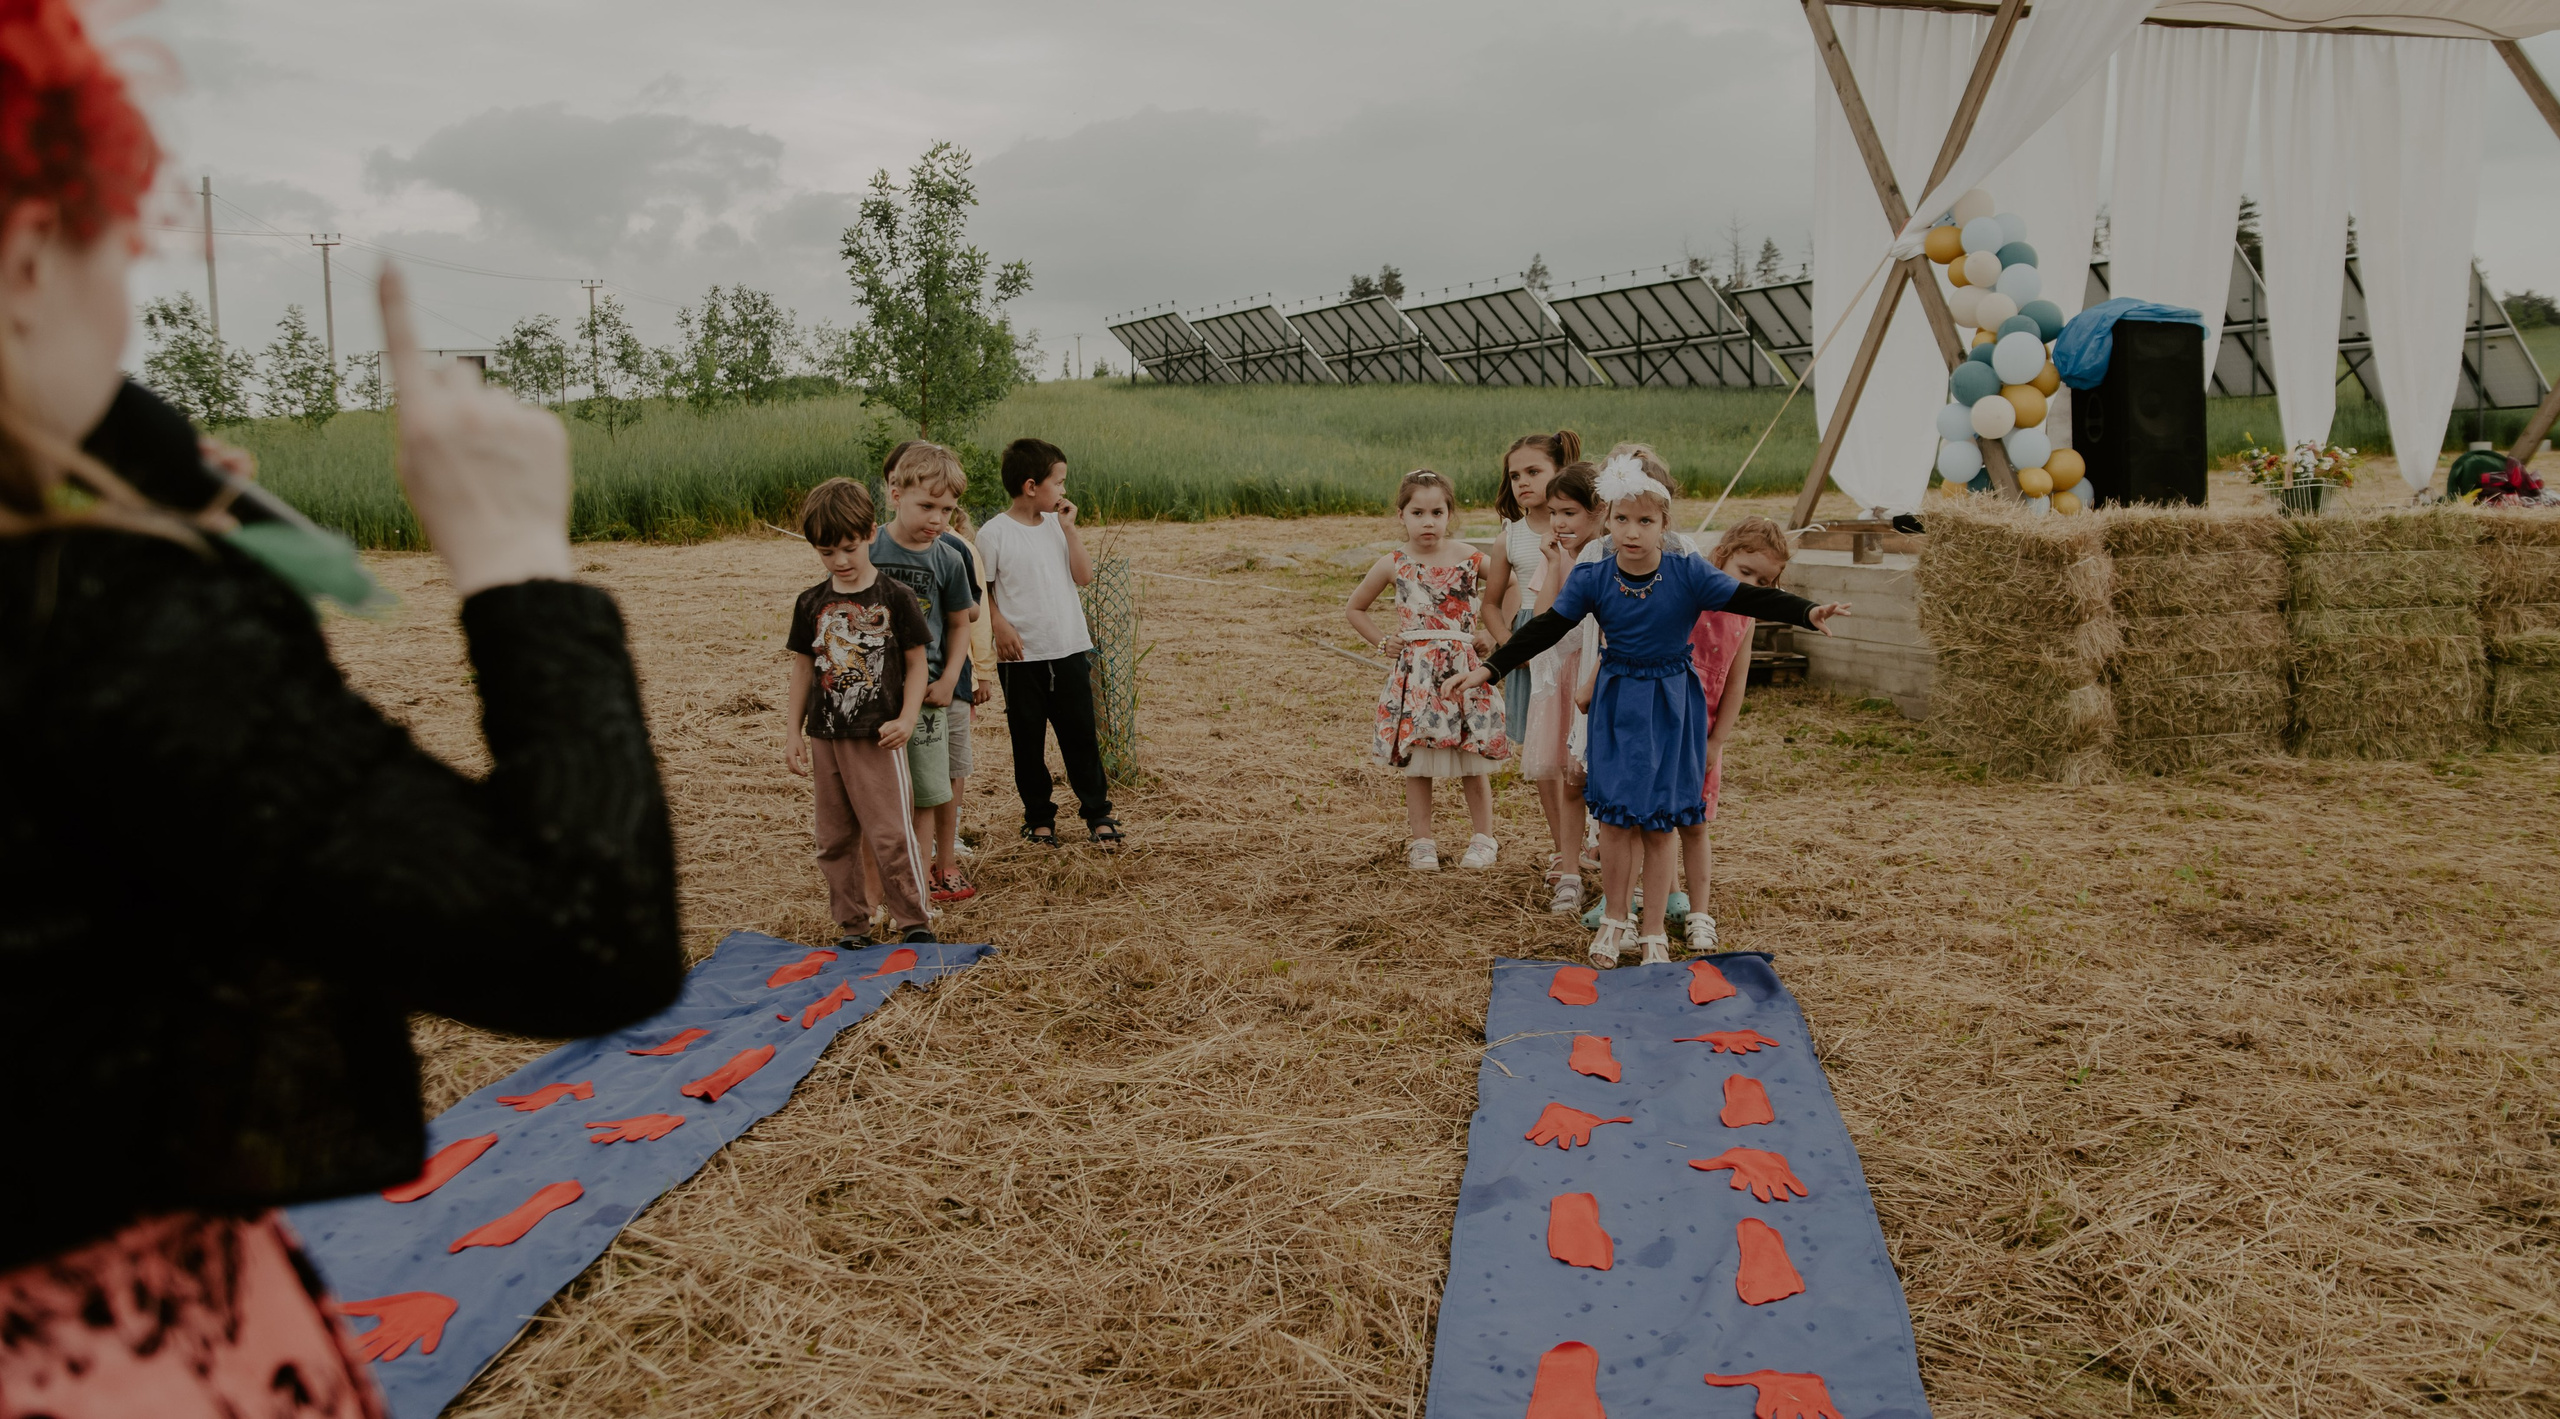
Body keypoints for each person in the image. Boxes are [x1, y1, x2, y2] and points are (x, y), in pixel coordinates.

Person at [0, 3, 683, 1410]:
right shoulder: (93, 617)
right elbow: (583, 934)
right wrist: (516, 558)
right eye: (116, 255)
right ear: (27, 251)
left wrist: (137, 467)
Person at [1456, 457, 1847, 966]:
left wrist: (1807, 611)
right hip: (1617, 703)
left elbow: (1750, 597)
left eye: (1645, 521)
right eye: (1622, 519)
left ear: (1664, 525)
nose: (1632, 531)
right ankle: (1615, 920)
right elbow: (1547, 627)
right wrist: (1492, 669)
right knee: (1616, 821)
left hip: (1671, 706)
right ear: (1607, 520)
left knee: (1661, 824)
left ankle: (1654, 931)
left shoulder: (1688, 573)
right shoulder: (1594, 576)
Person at [783, 478, 936, 946]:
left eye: (849, 548)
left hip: (878, 737)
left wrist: (907, 718)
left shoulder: (895, 597)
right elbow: (803, 668)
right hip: (825, 736)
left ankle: (914, 921)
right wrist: (793, 732)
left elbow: (917, 665)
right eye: (826, 552)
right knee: (833, 838)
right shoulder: (810, 603)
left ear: (871, 533)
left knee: (890, 833)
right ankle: (854, 925)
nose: (840, 561)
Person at [1346, 469, 1508, 871]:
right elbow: (1355, 608)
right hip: (1416, 675)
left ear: (1449, 514)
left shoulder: (1470, 557)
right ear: (1401, 515)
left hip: (1463, 670)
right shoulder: (1393, 563)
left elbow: (1512, 584)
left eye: (1437, 512)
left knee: (1472, 756)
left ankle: (1483, 838)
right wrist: (1383, 641)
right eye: (1417, 513)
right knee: (1417, 762)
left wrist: (1494, 632)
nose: (1428, 522)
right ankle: (1422, 842)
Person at [979, 437, 1122, 848]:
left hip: (1069, 649)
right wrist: (999, 624)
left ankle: (1097, 813)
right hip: (1022, 657)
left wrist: (1070, 529)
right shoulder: (994, 534)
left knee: (1081, 737)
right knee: (1028, 742)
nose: (1063, 490)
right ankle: (1039, 819)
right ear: (1030, 486)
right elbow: (983, 589)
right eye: (1057, 482)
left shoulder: (1058, 527)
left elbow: (1083, 576)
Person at [1676, 515, 1795, 956]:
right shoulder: (1688, 597)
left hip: (1703, 732)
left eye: (1764, 581)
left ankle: (1699, 913)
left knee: (1694, 823)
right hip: (1663, 721)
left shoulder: (1746, 618)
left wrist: (1716, 741)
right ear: (1721, 556)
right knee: (1650, 821)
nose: (1753, 586)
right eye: (1746, 573)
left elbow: (1735, 681)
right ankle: (1646, 898)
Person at [1517, 461, 1603, 912]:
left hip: (1601, 674)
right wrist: (1553, 564)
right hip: (1567, 677)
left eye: (1569, 513)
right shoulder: (1561, 558)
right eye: (1553, 513)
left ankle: (1609, 859)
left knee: (1608, 779)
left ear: (1598, 511)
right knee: (1573, 779)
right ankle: (1570, 870)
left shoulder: (1612, 557)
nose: (1558, 523)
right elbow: (1543, 622)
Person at [1481, 429, 1579, 759]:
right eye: (1515, 476)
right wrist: (1510, 645)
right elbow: (1490, 605)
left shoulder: (1580, 530)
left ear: (1560, 471)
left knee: (1579, 742)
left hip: (1575, 636)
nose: (1523, 482)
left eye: (1533, 472)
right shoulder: (1508, 538)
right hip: (1529, 641)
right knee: (1542, 749)